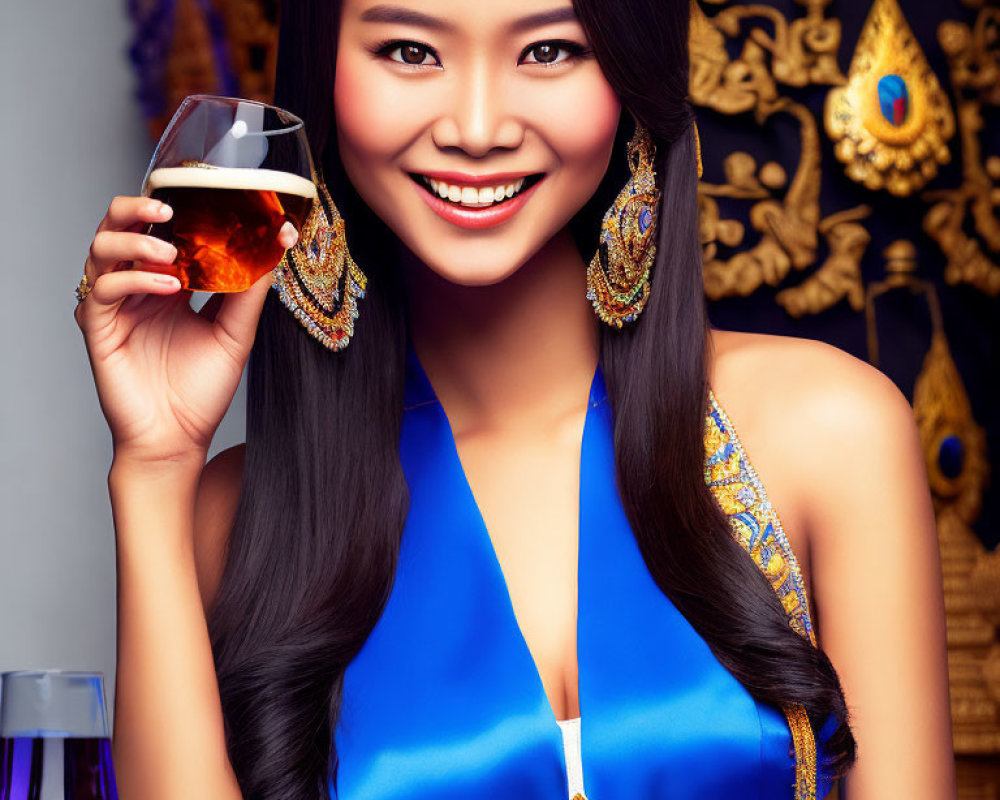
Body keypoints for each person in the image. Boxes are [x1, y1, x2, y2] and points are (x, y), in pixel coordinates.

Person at [74, 0, 957, 798]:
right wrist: (154, 468)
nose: (478, 126)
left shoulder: (828, 432)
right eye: (412, 51)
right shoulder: (235, 517)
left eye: (547, 50)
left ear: (628, 86)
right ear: (321, 79)